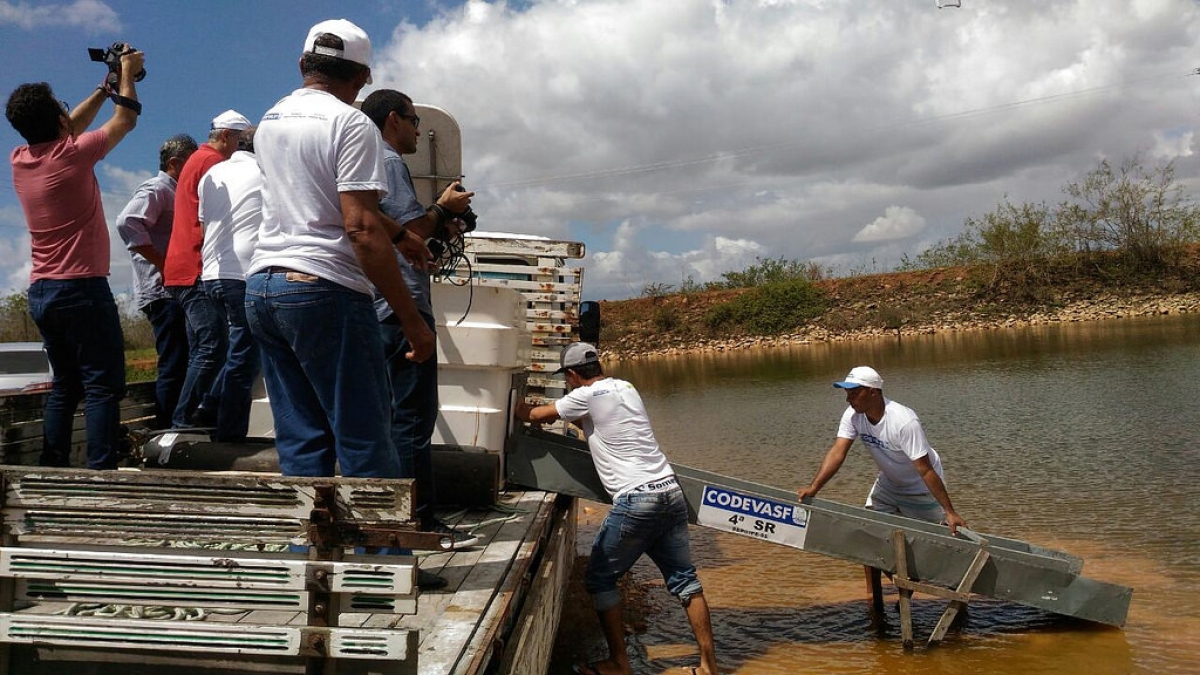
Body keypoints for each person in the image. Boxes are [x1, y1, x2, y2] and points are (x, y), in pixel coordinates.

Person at [245, 19, 434, 484]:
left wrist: (398, 234)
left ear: (303, 65)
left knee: (301, 434)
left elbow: (316, 198)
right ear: (363, 77)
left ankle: (311, 549)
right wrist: (413, 323)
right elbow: (359, 226)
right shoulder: (350, 123)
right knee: (365, 436)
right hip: (322, 291)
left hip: (263, 287)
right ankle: (378, 552)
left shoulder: (269, 121)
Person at [516, 343, 719, 675]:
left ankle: (619, 663)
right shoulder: (626, 387)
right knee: (686, 582)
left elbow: (534, 416)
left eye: (567, 378)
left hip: (637, 500)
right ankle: (709, 666)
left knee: (598, 579)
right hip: (669, 491)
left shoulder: (586, 395)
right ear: (598, 365)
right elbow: (602, 428)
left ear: (571, 374)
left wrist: (511, 405)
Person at [6, 46, 144, 469]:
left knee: (65, 385)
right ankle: (101, 472)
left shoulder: (21, 159)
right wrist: (127, 75)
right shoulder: (72, 154)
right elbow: (128, 118)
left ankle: (53, 465)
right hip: (81, 288)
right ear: (59, 121)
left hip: (43, 291)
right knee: (102, 386)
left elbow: (68, 127)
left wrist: (103, 89)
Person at [360, 89, 476, 549]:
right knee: (412, 421)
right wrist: (445, 208)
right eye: (412, 121)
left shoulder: (363, 164)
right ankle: (419, 526)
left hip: (377, 308)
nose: (415, 130)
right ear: (394, 121)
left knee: (394, 422)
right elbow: (410, 234)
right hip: (399, 308)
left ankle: (396, 524)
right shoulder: (388, 163)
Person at [795, 366, 968, 535]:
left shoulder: (904, 421)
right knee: (870, 538)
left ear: (873, 392)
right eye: (847, 393)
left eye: (854, 393)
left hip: (920, 489)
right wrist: (814, 488)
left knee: (938, 543)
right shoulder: (853, 415)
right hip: (888, 485)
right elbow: (837, 452)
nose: (848, 399)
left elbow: (925, 469)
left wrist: (950, 512)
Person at [163, 109, 251, 428]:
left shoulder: (197, 161)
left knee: (203, 348)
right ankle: (187, 418)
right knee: (215, 346)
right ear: (227, 136)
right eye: (239, 142)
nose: (240, 151)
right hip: (197, 264)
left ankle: (193, 415)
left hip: (184, 265)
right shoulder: (214, 164)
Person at [116, 133, 197, 429]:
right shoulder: (159, 188)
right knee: (174, 361)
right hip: (163, 293)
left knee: (187, 357)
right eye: (191, 161)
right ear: (175, 163)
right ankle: (166, 429)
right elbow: (128, 221)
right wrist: (166, 265)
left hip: (177, 290)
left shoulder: (177, 191)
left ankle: (179, 424)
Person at [197, 126, 262, 441]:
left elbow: (203, 222)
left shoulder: (212, 174)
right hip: (242, 273)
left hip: (212, 273)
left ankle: (210, 405)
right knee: (245, 358)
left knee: (236, 350)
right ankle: (228, 432)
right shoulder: (265, 171)